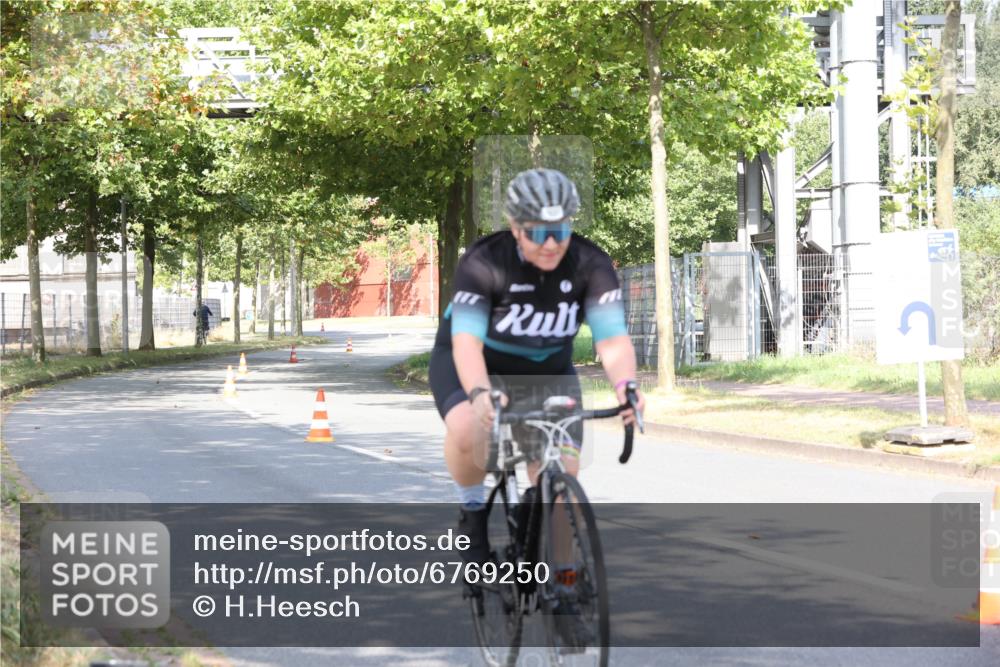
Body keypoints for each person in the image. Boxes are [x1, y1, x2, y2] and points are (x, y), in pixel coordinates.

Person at [428, 168, 645, 643]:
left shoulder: (591, 264)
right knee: (469, 429)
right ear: (513, 225)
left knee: (560, 479)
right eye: (537, 232)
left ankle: (564, 584)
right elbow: (465, 344)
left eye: (561, 230)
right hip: (474, 362)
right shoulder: (485, 261)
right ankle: (471, 518)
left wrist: (626, 386)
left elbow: (611, 340)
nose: (550, 244)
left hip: (547, 371)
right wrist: (482, 394)